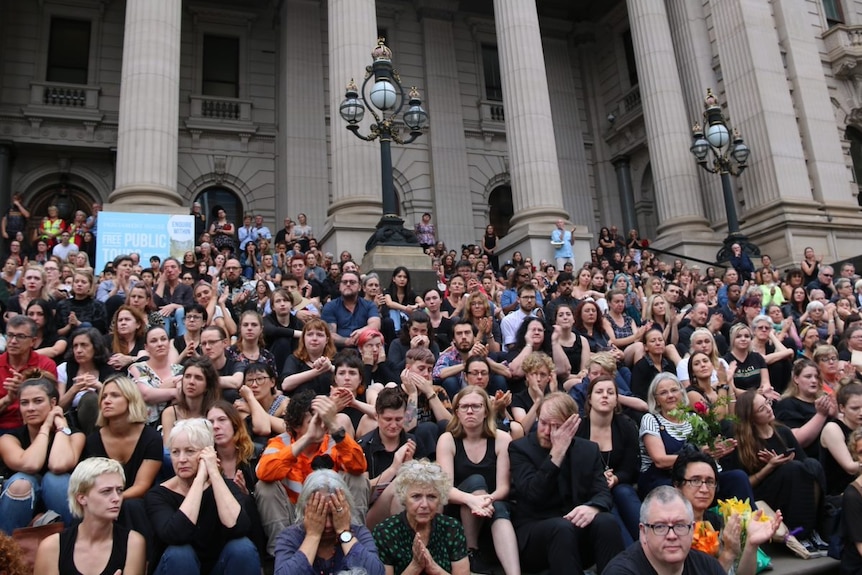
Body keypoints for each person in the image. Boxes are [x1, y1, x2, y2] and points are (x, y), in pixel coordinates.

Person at [507, 392, 624, 574]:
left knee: (606, 521)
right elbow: (532, 494)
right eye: (544, 423)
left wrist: (593, 508)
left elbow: (602, 493)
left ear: (572, 426)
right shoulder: (520, 449)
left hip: (575, 529)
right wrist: (557, 452)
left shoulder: (588, 449)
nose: (547, 431)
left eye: (556, 427)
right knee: (561, 528)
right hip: (536, 532)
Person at [255, 390, 368, 555]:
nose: (321, 427)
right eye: (314, 421)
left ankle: (354, 545)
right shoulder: (280, 443)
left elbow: (359, 466)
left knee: (357, 478)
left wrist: (334, 426)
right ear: (296, 426)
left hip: (333, 512)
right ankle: (282, 552)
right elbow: (264, 472)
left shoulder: (335, 440)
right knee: (265, 487)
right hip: (295, 518)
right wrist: (307, 438)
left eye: (324, 420)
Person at [146, 418, 260, 575]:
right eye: (175, 452)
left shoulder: (226, 487)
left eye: (190, 451)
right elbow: (176, 534)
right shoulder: (158, 495)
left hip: (217, 567)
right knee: (181, 553)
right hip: (175, 567)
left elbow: (238, 528)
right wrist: (199, 479)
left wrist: (213, 472)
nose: (181, 459)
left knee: (242, 548)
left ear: (208, 454)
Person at [726, 389, 829, 553]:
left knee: (812, 465)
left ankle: (813, 529)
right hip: (763, 495)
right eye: (761, 409)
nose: (768, 408)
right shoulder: (743, 443)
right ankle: (800, 533)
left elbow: (805, 466)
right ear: (751, 419)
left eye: (767, 402)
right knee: (793, 469)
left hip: (794, 487)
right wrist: (770, 467)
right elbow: (744, 484)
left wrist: (786, 462)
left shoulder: (783, 432)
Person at [436, 386, 519, 575]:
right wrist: (471, 499)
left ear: (486, 411)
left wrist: (483, 500)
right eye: (464, 407)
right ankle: (470, 551)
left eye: (476, 406)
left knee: (497, 506)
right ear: (456, 412)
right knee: (475, 481)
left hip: (492, 506)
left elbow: (504, 488)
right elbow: (445, 489)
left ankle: (514, 572)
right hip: (458, 509)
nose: (470, 411)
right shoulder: (447, 440)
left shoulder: (502, 439)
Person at [0, 373, 85, 533]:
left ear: (53, 403)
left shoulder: (75, 435)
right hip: (19, 509)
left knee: (55, 479)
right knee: (21, 482)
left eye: (38, 401)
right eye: (24, 403)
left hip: (61, 506)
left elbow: (58, 465)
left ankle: (70, 544)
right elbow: (31, 465)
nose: (30, 408)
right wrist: (46, 427)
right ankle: (7, 552)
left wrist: (60, 426)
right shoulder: (9, 438)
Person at [34, 457, 147, 575]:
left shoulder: (133, 543)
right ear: (82, 498)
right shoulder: (51, 547)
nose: (116, 498)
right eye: (106, 491)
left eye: (119, 490)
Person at [274, 469, 385, 575]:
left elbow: (376, 572)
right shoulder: (290, 537)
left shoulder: (358, 533)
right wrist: (313, 535)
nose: (327, 524)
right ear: (305, 511)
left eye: (334, 515)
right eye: (319, 514)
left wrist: (344, 532)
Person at [575, 375, 642, 546]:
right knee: (608, 507)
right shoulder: (579, 428)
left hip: (619, 485)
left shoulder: (626, 426)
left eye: (610, 392)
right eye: (599, 392)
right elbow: (574, 469)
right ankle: (631, 556)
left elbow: (631, 467)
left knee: (624, 493)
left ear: (616, 400)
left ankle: (649, 542)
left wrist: (616, 478)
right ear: (589, 399)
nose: (605, 395)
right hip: (589, 489)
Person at [373, 459, 470, 575]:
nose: (424, 505)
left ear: (440, 499)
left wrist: (434, 569)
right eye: (416, 496)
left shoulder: (452, 528)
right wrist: (415, 566)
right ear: (404, 498)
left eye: (431, 497)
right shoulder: (385, 532)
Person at [603, 485, 726, 574]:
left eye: (680, 525)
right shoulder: (621, 572)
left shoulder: (708, 567)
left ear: (692, 529)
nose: (671, 535)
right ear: (643, 532)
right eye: (660, 527)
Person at [0, 315, 59, 431]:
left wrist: (25, 388)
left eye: (20, 336)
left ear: (33, 341)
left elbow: (51, 405)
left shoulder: (46, 365)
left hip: (36, 428)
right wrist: (9, 398)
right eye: (10, 335)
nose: (13, 341)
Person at [773, 358, 837, 459]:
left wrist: (834, 414)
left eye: (816, 377)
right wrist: (821, 415)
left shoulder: (823, 401)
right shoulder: (787, 404)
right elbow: (797, 440)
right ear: (796, 379)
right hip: (810, 460)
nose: (814, 380)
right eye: (808, 376)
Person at [57, 327, 116, 435]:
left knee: (90, 398)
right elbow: (59, 406)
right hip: (71, 423)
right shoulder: (64, 368)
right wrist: (74, 389)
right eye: (75, 346)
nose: (78, 350)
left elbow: (118, 400)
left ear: (96, 347)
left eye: (84, 345)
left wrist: (99, 387)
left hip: (105, 422)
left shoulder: (108, 370)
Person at [160, 356, 222, 446]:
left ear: (207, 386)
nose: (191, 382)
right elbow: (167, 449)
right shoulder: (170, 413)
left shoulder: (213, 414)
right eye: (187, 376)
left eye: (198, 378)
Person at [128, 326, 183, 426]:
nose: (160, 344)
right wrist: (175, 392)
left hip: (176, 426)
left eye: (163, 339)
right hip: (144, 427)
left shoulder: (180, 370)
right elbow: (146, 394)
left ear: (168, 343)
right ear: (146, 347)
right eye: (154, 341)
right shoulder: (138, 368)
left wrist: (158, 391)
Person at [322, 270, 381, 348]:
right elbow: (329, 334)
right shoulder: (330, 306)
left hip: (365, 347)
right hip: (339, 351)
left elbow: (375, 325)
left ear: (359, 287)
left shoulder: (369, 305)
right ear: (339, 286)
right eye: (344, 282)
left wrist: (362, 332)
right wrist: (347, 341)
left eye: (352, 282)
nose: (348, 284)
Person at [282, 318, 336, 397]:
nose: (314, 338)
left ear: (327, 340)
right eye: (310, 334)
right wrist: (319, 370)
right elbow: (285, 385)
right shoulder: (294, 359)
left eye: (320, 335)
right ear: (303, 338)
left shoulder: (336, 358)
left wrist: (330, 367)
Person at [237, 362, 289, 442]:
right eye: (250, 380)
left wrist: (252, 411)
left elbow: (289, 428)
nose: (254, 385)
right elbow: (263, 429)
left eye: (260, 379)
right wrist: (250, 397)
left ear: (272, 382)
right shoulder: (240, 405)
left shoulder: (283, 402)